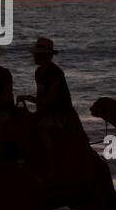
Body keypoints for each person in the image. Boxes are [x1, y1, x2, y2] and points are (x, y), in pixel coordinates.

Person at [19, 36, 83, 170]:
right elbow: (41, 96)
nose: (34, 56)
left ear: (44, 55)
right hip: (46, 111)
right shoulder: (39, 72)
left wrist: (29, 98)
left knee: (44, 132)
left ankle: (51, 166)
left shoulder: (55, 72)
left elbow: (50, 99)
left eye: (37, 54)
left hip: (60, 112)